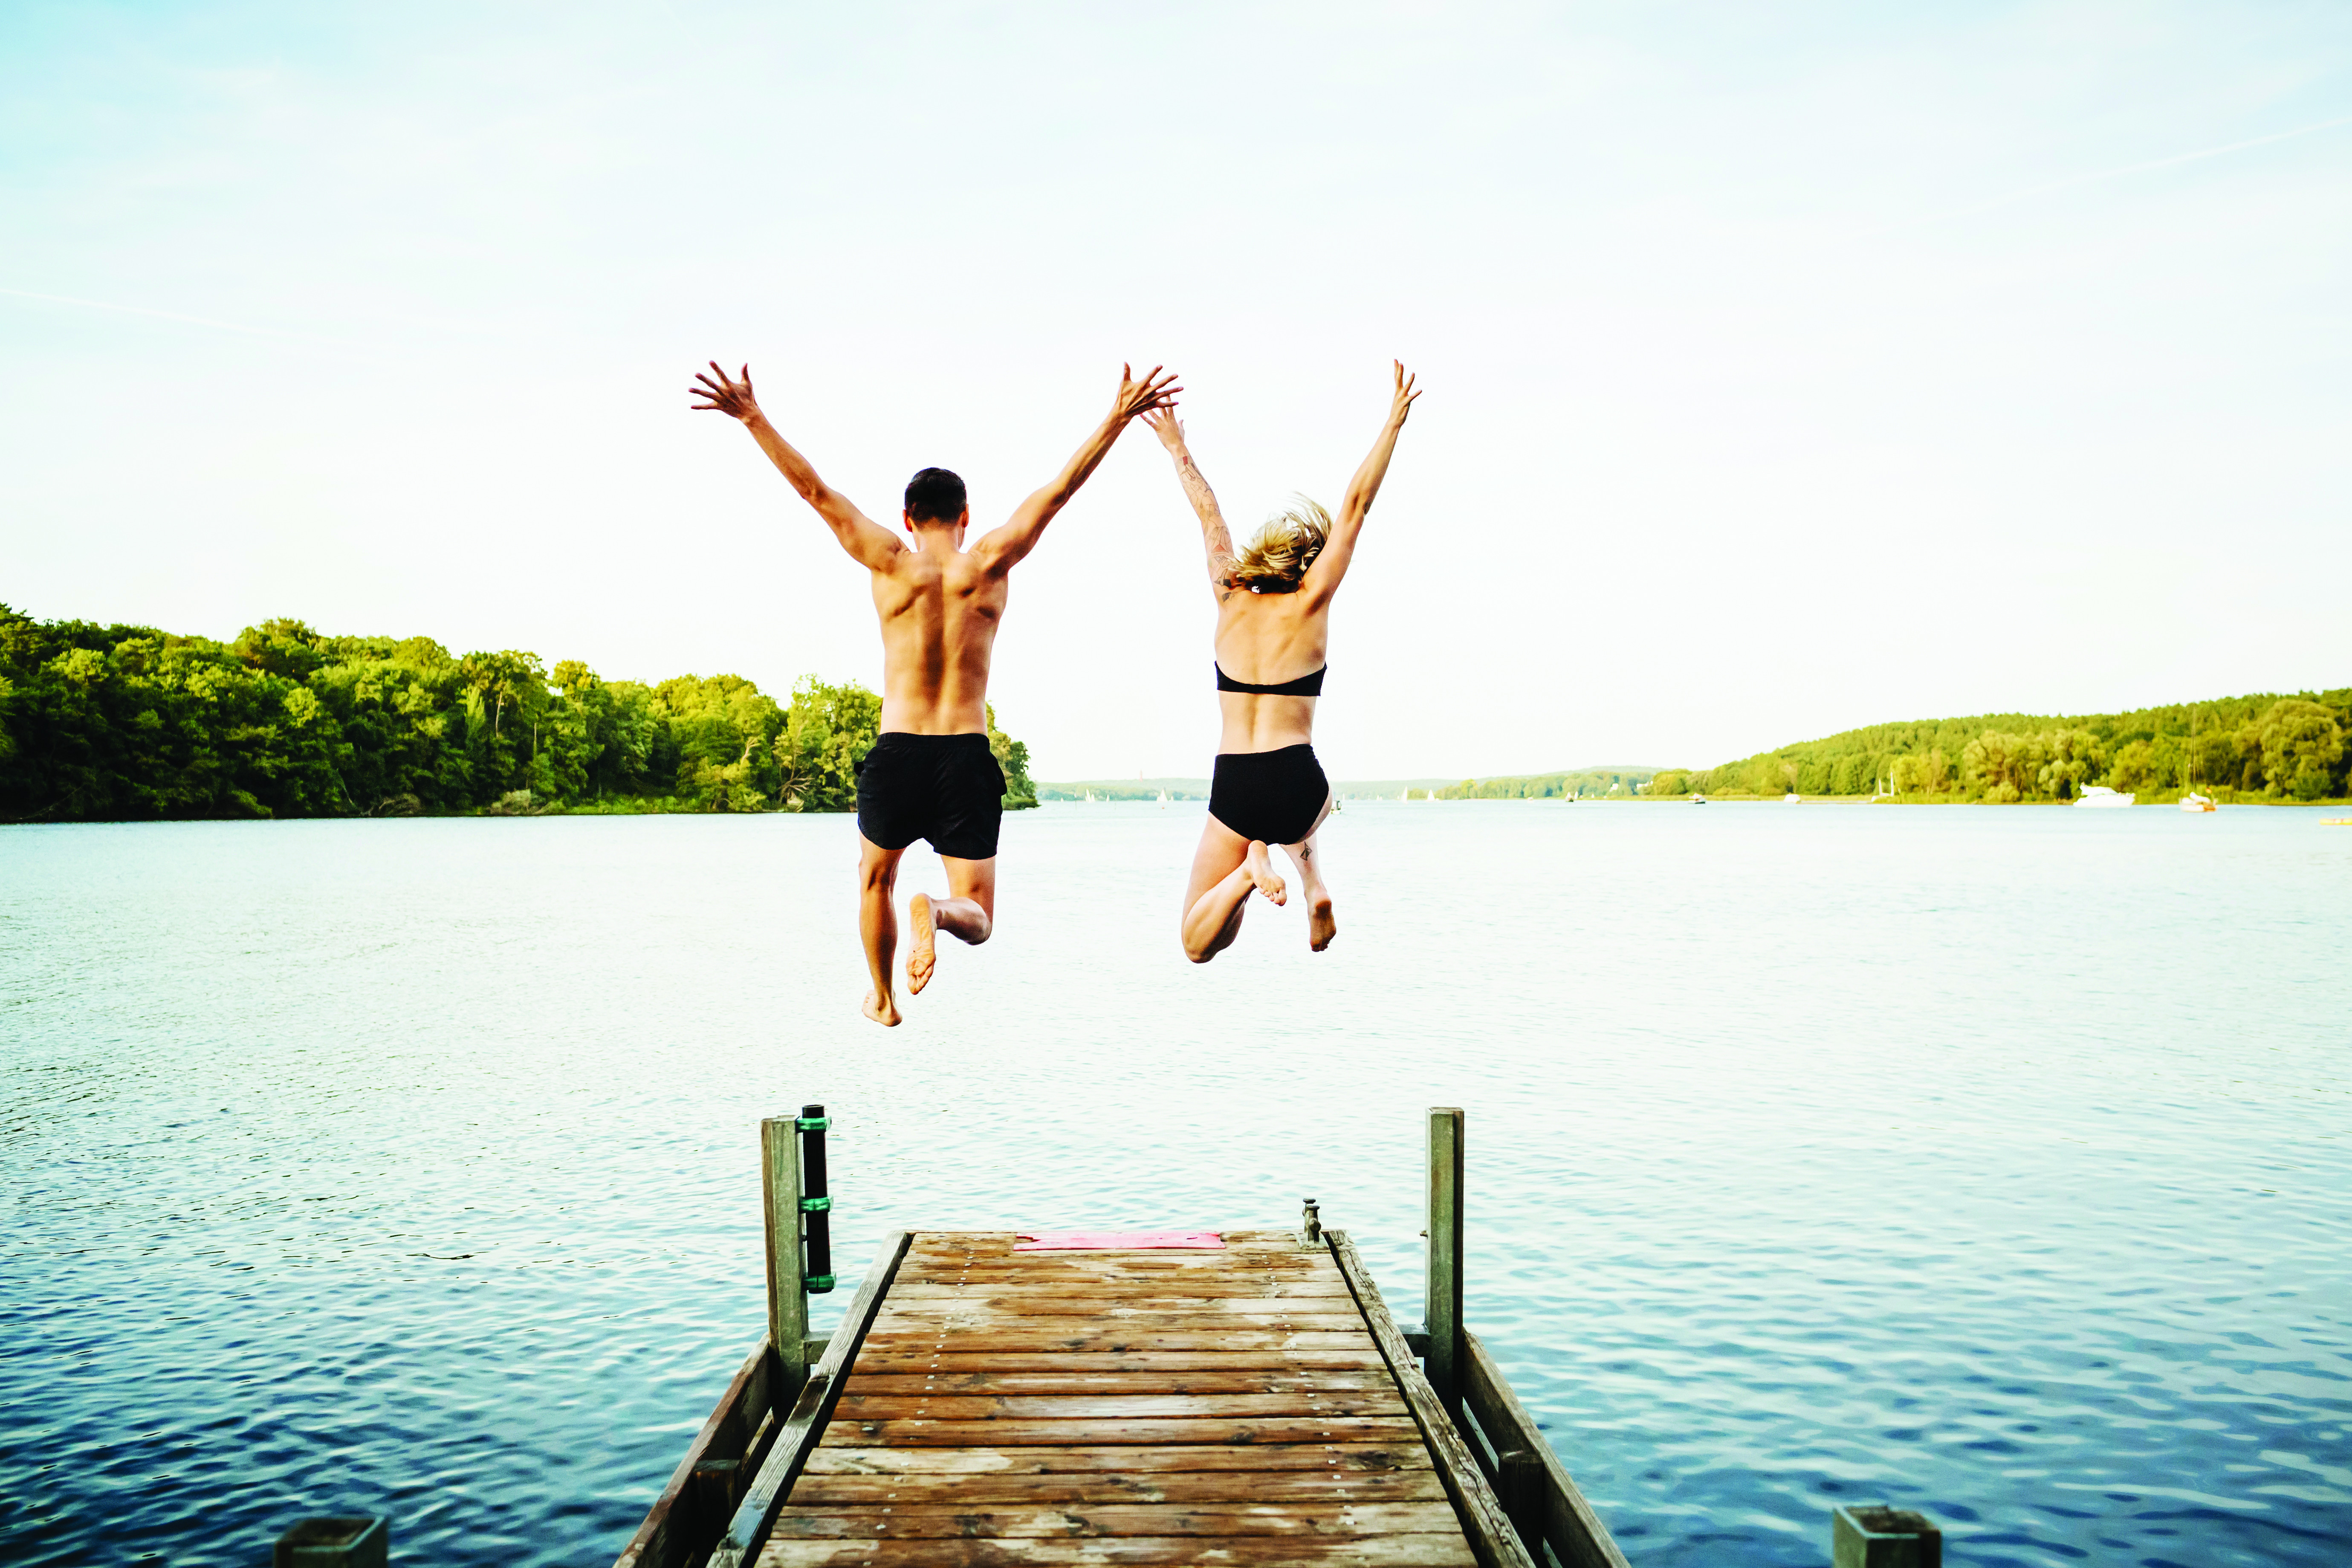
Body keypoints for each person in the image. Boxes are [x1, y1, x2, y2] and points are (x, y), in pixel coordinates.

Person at [691, 359, 1180, 1024]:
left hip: (898, 750)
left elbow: (813, 491)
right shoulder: (990, 561)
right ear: (965, 516)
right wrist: (1117, 418)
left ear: (907, 516)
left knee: (875, 879)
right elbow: (1059, 492)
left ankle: (884, 997)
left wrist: (752, 417)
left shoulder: (888, 559)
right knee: (979, 915)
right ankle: (939, 913)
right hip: (964, 754)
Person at [1142, 361, 1420, 963]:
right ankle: (1312, 882)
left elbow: (1209, 513)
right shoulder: (1312, 601)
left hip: (1235, 782)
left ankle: (1250, 872)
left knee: (1198, 943)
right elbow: (1356, 505)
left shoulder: (1228, 595)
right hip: (1299, 781)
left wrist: (1175, 446)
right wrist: (1393, 423)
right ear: (1305, 565)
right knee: (1310, 809)